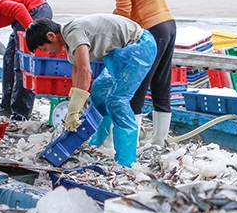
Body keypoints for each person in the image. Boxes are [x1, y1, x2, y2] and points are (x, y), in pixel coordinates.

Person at [25, 15, 156, 167]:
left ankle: (126, 161)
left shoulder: (74, 33)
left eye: (44, 48)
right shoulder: (68, 43)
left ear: (51, 36)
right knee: (99, 90)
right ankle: (99, 142)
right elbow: (77, 71)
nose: (47, 53)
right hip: (118, 53)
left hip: (138, 47)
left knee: (116, 100)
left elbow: (85, 70)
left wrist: (74, 111)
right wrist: (73, 107)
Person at [88, 0, 176, 146]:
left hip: (152, 28)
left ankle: (131, 143)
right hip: (169, 25)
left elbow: (123, 11)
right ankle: (159, 140)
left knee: (136, 84)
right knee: (160, 83)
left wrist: (107, 29)